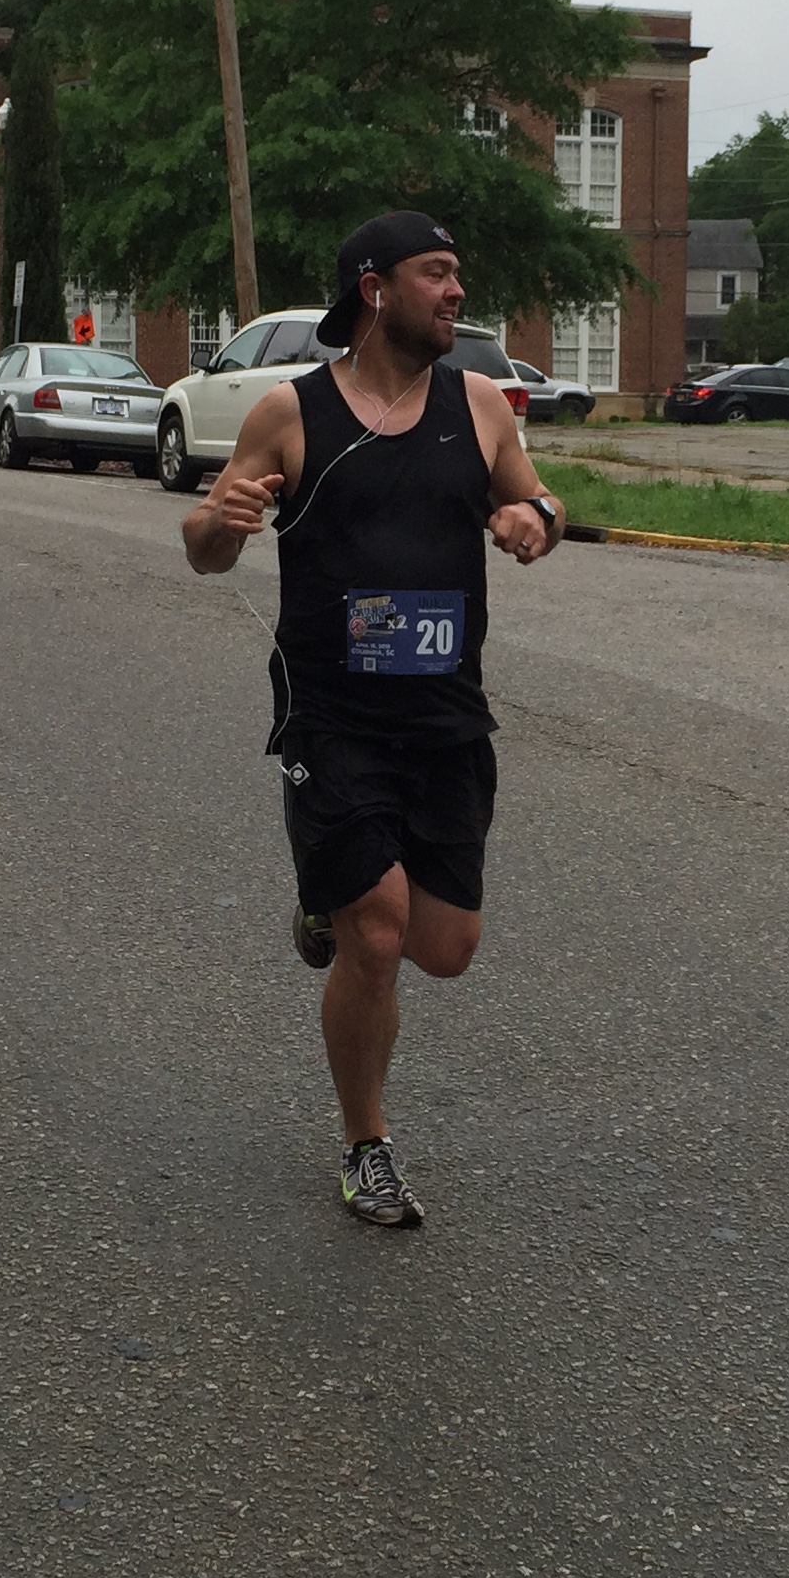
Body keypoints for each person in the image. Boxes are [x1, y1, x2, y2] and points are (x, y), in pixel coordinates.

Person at [180, 211, 562, 1228]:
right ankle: (366, 1143)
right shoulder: (290, 411)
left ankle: (324, 902)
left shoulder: (480, 403)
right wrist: (219, 525)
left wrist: (534, 518)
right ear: (375, 288)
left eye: (457, 272)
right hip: (332, 717)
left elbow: (542, 501)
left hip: (446, 716)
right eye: (436, 272)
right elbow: (204, 542)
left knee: (445, 947)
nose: (456, 291)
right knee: (380, 937)